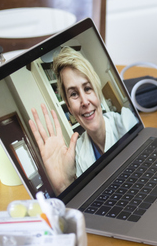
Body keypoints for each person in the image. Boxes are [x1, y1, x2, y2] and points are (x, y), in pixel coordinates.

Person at [29, 46, 137, 194]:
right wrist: (63, 186)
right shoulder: (78, 152)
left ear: (97, 92)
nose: (85, 101)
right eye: (74, 94)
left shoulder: (127, 122)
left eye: (87, 88)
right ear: (68, 106)